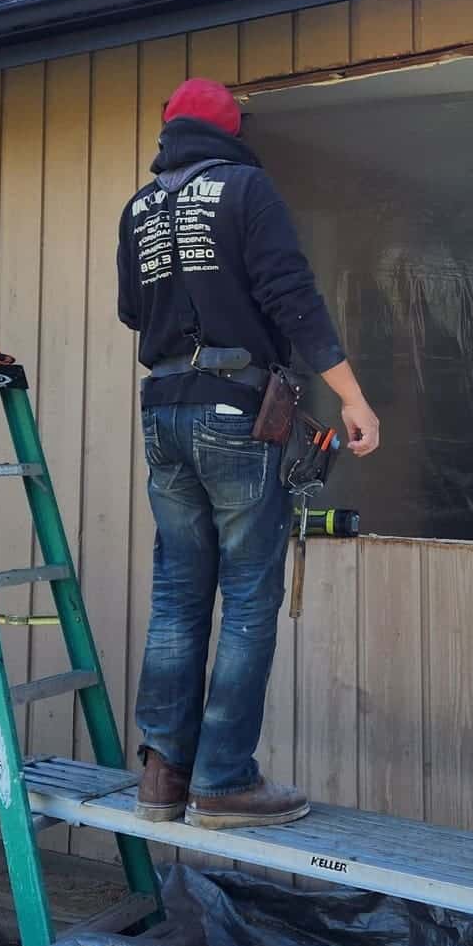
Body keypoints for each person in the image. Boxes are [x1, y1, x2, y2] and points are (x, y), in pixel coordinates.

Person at [117, 77, 379, 830]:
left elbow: (134, 311)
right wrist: (352, 398)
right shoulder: (246, 187)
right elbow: (290, 295)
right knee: (248, 598)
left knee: (177, 593)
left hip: (163, 414)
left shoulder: (138, 207)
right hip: (234, 412)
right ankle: (223, 779)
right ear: (229, 130)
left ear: (171, 130)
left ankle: (163, 775)